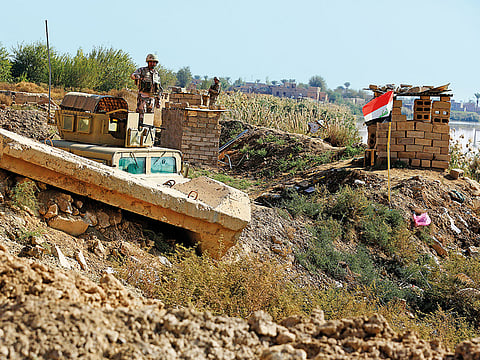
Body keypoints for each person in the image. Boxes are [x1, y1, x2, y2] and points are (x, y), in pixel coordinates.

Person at [130, 54, 163, 123]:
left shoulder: (156, 74)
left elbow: (159, 88)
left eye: (154, 62)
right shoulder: (142, 70)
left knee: (149, 117)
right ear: (148, 62)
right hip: (143, 97)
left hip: (152, 98)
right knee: (141, 115)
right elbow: (133, 75)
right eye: (150, 62)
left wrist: (158, 100)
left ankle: (147, 131)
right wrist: (137, 77)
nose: (152, 63)